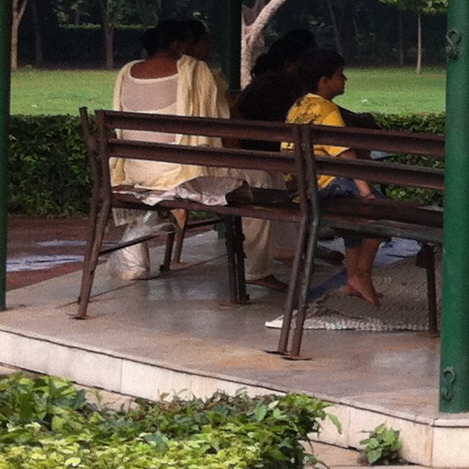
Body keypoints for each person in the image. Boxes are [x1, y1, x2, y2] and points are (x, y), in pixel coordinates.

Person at [108, 18, 235, 279]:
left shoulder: (126, 71)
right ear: (178, 45)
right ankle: (257, 270)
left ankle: (140, 239)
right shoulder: (196, 71)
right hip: (181, 176)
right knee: (260, 179)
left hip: (132, 174)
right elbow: (217, 124)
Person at [285, 50, 388, 309]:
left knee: (355, 218)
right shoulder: (326, 109)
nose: (345, 79)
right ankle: (361, 273)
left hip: (300, 188)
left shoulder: (297, 106)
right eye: (339, 75)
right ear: (323, 81)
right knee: (380, 211)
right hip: (326, 185)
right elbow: (347, 155)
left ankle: (353, 281)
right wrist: (367, 192)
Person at [231, 26, 318, 291]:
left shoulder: (272, 82)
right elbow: (289, 125)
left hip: (260, 154)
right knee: (279, 179)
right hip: (258, 156)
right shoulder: (278, 85)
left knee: (278, 177)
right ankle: (287, 248)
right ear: (291, 65)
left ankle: (290, 246)